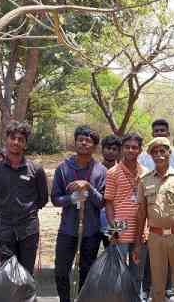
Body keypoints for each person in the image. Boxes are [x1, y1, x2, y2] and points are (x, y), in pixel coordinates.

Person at [134, 137, 174, 302]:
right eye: (155, 152)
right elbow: (141, 214)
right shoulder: (144, 180)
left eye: (163, 151)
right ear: (150, 156)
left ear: (169, 153)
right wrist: (138, 244)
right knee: (158, 285)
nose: (159, 155)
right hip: (155, 238)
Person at [51, 126, 108, 302]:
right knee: (61, 271)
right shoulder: (63, 168)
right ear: (75, 142)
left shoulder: (101, 171)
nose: (84, 143)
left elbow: (102, 202)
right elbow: (55, 199)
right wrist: (75, 197)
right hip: (68, 229)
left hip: (91, 231)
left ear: (94, 146)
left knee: (87, 271)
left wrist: (88, 187)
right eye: (81, 139)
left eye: (88, 140)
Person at [0, 120, 49, 274]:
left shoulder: (36, 170)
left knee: (26, 274)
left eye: (20, 139)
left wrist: (26, 211)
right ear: (6, 141)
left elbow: (42, 199)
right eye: (12, 138)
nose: (16, 142)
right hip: (4, 230)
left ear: (25, 144)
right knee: (8, 274)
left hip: (28, 230)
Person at [104, 132, 150, 294]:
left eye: (135, 147)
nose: (131, 150)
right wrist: (113, 230)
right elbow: (108, 202)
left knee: (137, 273)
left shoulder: (145, 173)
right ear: (122, 149)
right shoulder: (113, 172)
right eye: (127, 147)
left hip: (140, 229)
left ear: (140, 150)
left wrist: (146, 229)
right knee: (119, 273)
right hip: (119, 228)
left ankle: (136, 298)